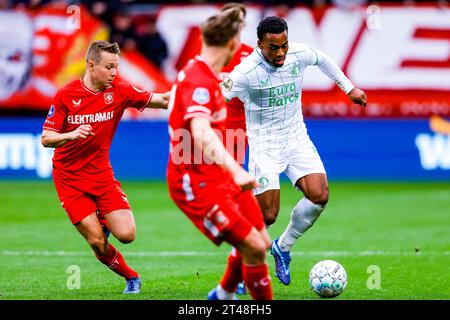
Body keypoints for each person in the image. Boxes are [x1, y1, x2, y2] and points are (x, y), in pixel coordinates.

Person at [221, 16, 367, 285]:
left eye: (284, 45)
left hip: (297, 139)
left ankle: (283, 247)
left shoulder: (298, 53)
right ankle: (239, 264)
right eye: (273, 47)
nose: (280, 53)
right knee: (267, 215)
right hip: (265, 147)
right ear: (260, 45)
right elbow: (218, 98)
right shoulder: (245, 72)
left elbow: (322, 59)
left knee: (319, 195)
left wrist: (349, 88)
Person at [41, 40, 169, 294]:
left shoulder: (120, 91)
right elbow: (46, 138)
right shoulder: (66, 94)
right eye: (109, 67)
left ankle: (101, 217)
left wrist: (200, 93)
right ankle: (131, 277)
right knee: (98, 243)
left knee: (127, 234)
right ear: (91, 65)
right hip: (68, 178)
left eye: (116, 66)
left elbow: (163, 100)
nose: (114, 72)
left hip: (100, 173)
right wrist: (71, 134)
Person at [166, 8, 273, 300]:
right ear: (231, 45)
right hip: (195, 182)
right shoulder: (199, 79)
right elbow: (200, 132)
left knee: (262, 241)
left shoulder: (203, 76)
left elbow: (178, 102)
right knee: (254, 247)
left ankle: (223, 296)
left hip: (219, 176)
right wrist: (236, 170)